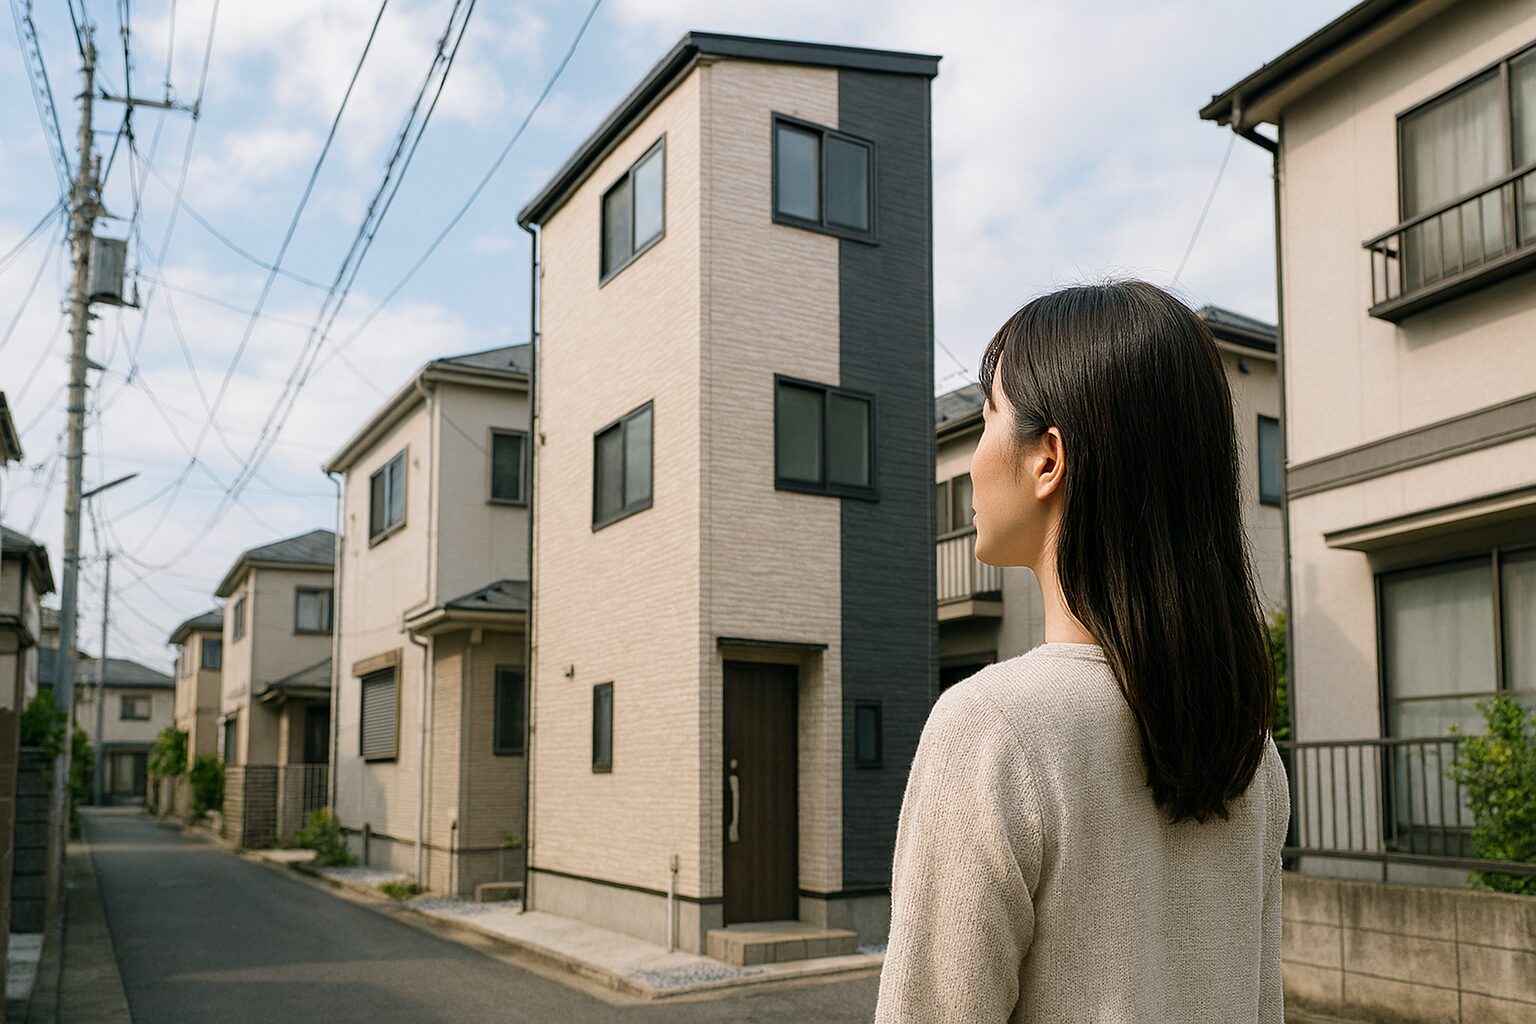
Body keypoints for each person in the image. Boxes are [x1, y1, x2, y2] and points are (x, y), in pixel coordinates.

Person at [875, 280, 1288, 1023]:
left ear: (1047, 461)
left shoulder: (991, 729)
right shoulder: (1251, 753)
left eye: (987, 419)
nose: (971, 460)